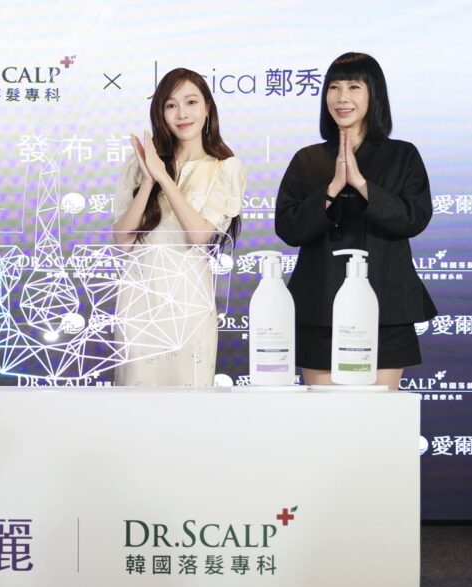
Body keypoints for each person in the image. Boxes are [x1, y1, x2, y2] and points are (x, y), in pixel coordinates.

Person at [275, 52, 435, 390]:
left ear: (374, 94)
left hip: (387, 304)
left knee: (378, 415)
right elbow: (288, 228)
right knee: (324, 415)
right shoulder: (307, 159)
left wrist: (362, 184)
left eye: (353, 87)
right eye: (334, 87)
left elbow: (413, 218)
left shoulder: (403, 155)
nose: (342, 97)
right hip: (320, 304)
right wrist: (331, 188)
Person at [112, 68, 245, 387]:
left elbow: (199, 236)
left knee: (189, 397)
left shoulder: (225, 168)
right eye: (171, 105)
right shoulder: (139, 164)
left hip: (189, 299)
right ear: (160, 113)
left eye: (191, 102)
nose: (182, 114)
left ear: (208, 107)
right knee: (135, 395)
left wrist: (164, 177)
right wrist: (148, 179)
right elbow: (122, 240)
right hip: (139, 298)